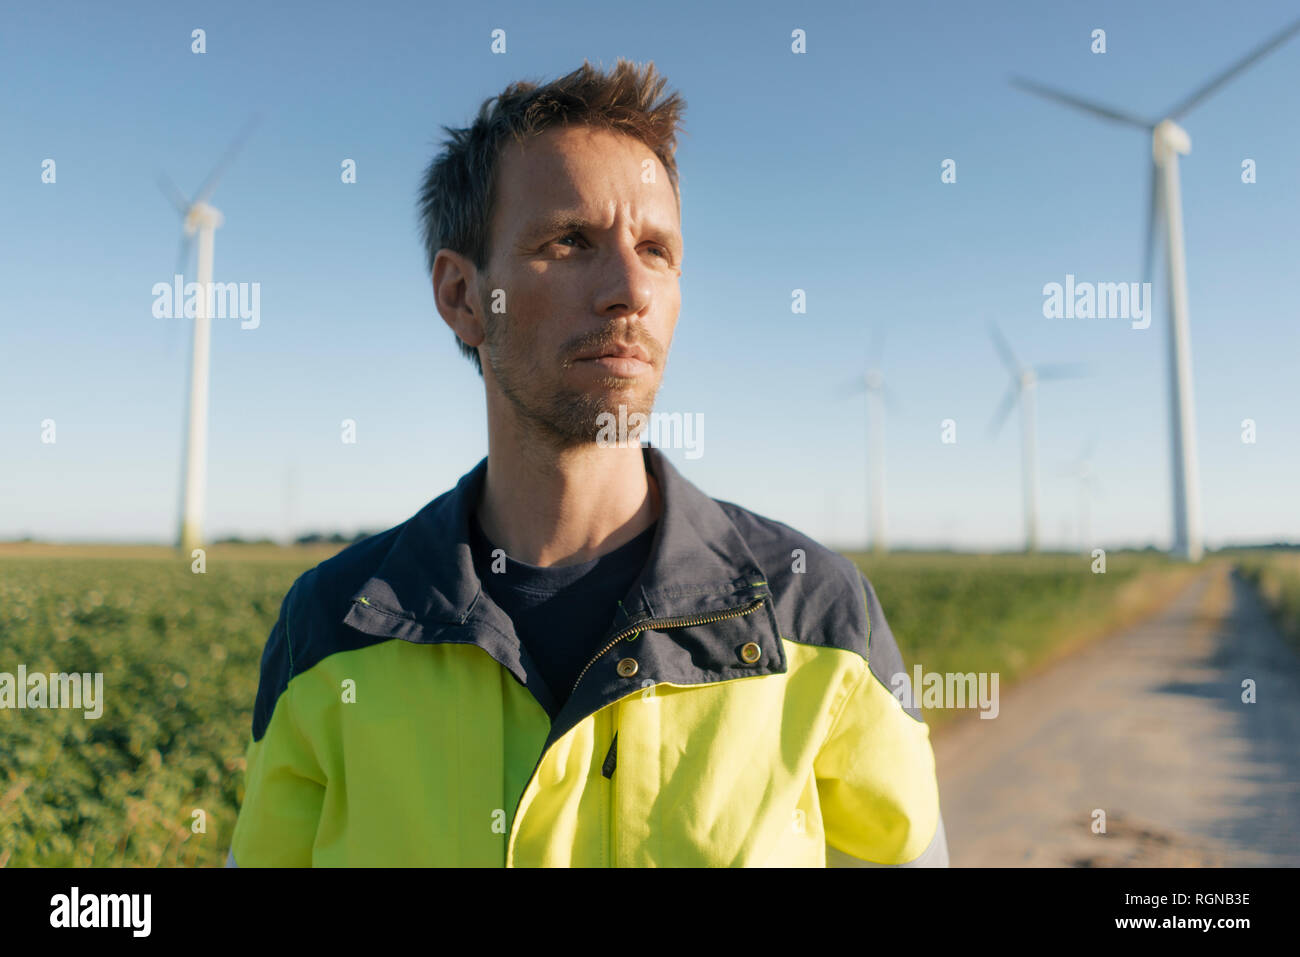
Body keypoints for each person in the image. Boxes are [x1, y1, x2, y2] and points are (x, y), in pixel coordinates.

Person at [228, 57, 947, 867]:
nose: (629, 289)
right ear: (463, 297)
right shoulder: (331, 627)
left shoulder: (816, 615)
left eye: (656, 250)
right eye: (570, 241)